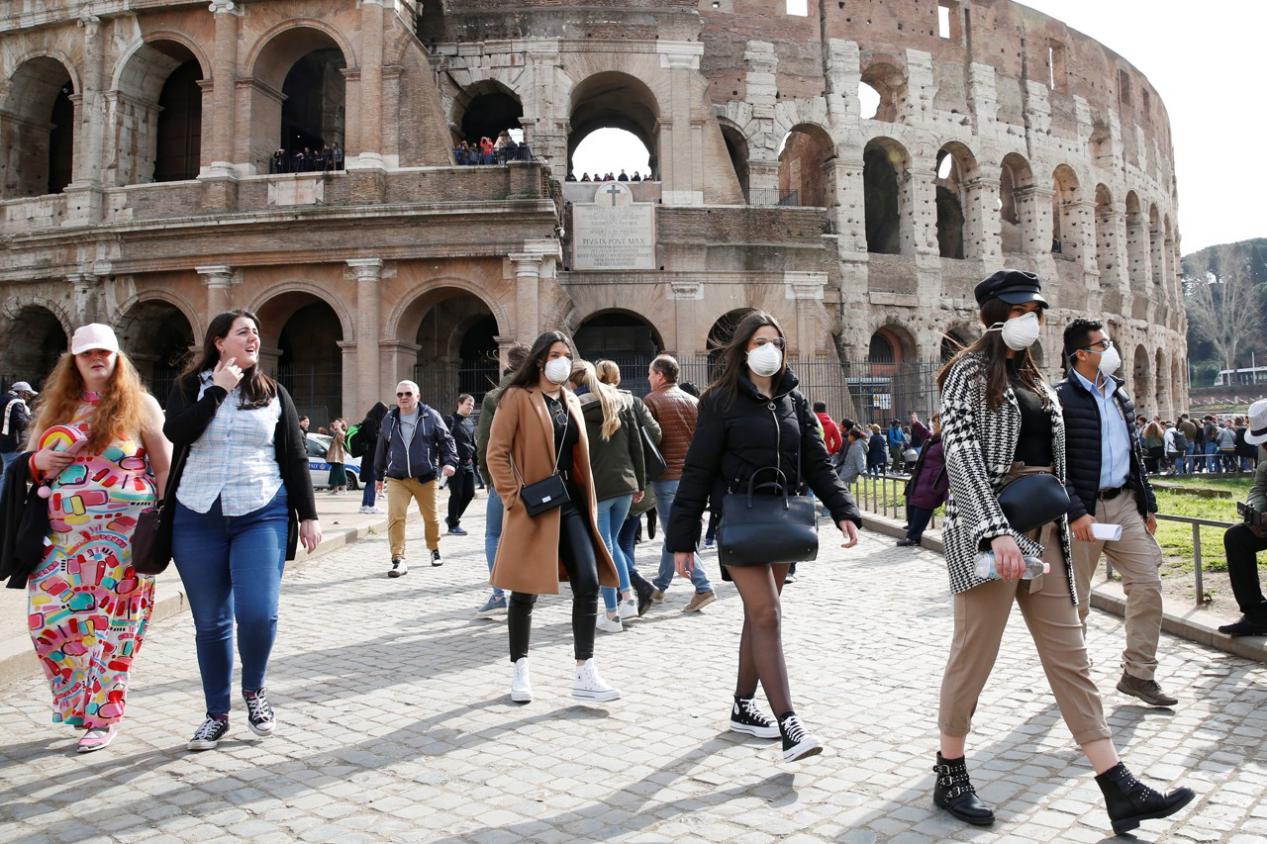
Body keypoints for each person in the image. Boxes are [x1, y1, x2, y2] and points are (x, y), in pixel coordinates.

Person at [932, 270, 1192, 833]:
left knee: (1070, 657)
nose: (1034, 318)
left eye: (1038, 309)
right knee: (974, 657)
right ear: (996, 313)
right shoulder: (967, 374)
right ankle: (950, 768)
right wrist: (995, 530)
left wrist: (1073, 514)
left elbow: (1059, 459)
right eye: (1023, 308)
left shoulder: (1035, 377)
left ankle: (1116, 783)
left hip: (1045, 532)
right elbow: (962, 455)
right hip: (990, 532)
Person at [666, 310, 861, 762]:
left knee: (759, 618)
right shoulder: (719, 400)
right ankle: (790, 723)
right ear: (743, 349)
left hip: (782, 521)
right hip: (738, 520)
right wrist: (682, 538)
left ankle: (741, 706)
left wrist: (843, 510)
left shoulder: (795, 400)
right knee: (768, 615)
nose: (768, 349)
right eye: (759, 342)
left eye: (776, 341)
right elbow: (696, 471)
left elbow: (818, 462)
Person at [164, 310, 322, 752]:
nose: (254, 338)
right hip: (197, 514)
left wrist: (308, 515)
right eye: (243, 332)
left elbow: (293, 457)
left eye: (257, 332)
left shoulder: (274, 394)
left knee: (257, 612)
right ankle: (216, 714)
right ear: (219, 342)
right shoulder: (186, 389)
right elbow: (178, 433)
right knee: (211, 623)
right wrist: (217, 391)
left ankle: (254, 689)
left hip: (260, 511)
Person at [18, 325, 170, 752]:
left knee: (114, 631)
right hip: (62, 546)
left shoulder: (141, 406)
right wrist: (39, 461)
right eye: (87, 354)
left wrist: (163, 522)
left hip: (122, 548)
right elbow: (31, 466)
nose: (96, 359)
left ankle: (104, 716)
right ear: (74, 362)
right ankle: (77, 703)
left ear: (118, 358)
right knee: (49, 624)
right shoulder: (55, 409)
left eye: (104, 352)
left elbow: (163, 467)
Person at [486, 331, 622, 704]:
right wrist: (514, 499)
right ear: (540, 360)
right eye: (555, 354)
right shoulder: (516, 397)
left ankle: (584, 670)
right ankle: (520, 668)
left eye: (566, 354)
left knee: (589, 581)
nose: (561, 360)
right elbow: (496, 453)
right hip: (533, 504)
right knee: (525, 590)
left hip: (571, 501)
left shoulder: (571, 400)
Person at [1058, 319, 1176, 707]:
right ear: (1081, 354)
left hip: (1124, 503)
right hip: (1083, 511)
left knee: (1147, 585)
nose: (1110, 349)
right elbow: (1054, 465)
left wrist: (1148, 505)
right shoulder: (1059, 399)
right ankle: (1075, 675)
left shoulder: (1121, 396)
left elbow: (1135, 456)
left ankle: (1139, 673)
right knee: (1077, 601)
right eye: (1101, 344)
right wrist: (1075, 512)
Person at [571, 361, 645, 633]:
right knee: (612, 543)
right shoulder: (621, 402)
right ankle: (627, 598)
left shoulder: (576, 408)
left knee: (605, 550)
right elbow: (636, 444)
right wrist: (639, 482)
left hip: (599, 488)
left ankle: (613, 613)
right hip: (626, 484)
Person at [644, 354, 716, 611]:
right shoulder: (694, 402)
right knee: (675, 534)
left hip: (668, 479)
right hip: (694, 478)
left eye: (651, 374)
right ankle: (659, 586)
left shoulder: (652, 401)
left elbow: (648, 442)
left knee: (677, 535)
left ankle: (704, 586)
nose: (648, 378)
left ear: (660, 376)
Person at [595, 359, 662, 615]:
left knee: (611, 544)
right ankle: (633, 590)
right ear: (618, 378)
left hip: (604, 485)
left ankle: (628, 595)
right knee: (622, 542)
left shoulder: (587, 403)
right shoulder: (632, 402)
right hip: (632, 483)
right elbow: (653, 434)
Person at [373, 380, 457, 576]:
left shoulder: (430, 416)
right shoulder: (389, 419)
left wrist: (449, 462)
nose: (403, 397)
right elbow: (381, 448)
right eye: (400, 394)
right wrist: (378, 476)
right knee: (395, 516)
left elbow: (446, 440)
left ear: (417, 397)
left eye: (408, 394)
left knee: (432, 518)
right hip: (397, 478)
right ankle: (398, 559)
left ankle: (434, 549)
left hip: (425, 477)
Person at [473, 345, 531, 616]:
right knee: (531, 534)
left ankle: (499, 595)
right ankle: (526, 590)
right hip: (537, 476)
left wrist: (486, 475)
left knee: (494, 534)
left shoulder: (495, 397)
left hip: (503, 475)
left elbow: (485, 441)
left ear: (507, 364)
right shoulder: (542, 394)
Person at [1219, 400, 1267, 637]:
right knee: (1236, 537)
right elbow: (1259, 487)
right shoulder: (1264, 447)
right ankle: (1256, 614)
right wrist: (1255, 514)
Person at [898, 413, 947, 547]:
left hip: (932, 481)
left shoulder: (946, 442)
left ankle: (912, 537)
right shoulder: (934, 439)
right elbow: (925, 434)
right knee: (912, 501)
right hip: (922, 478)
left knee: (922, 507)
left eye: (936, 424)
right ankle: (913, 533)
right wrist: (916, 423)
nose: (933, 426)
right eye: (933, 424)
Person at [444, 394, 478, 536]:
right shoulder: (449, 420)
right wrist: (445, 461)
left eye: (472, 405)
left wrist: (477, 463)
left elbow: (472, 443)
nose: (470, 407)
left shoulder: (470, 423)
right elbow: (442, 440)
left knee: (469, 493)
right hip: (454, 463)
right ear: (459, 404)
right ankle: (453, 525)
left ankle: (452, 517)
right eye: (467, 404)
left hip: (468, 463)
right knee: (456, 493)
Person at [350, 402, 388, 514]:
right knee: (372, 481)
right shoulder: (371, 424)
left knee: (370, 482)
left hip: (369, 456)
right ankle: (370, 505)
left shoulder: (368, 422)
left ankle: (365, 505)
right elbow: (374, 439)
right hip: (372, 457)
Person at [1, 380, 37, 485]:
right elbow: (20, 423)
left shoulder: (4, 400)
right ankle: (3, 500)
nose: (28, 397)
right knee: (8, 474)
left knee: (8, 472)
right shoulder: (15, 403)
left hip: (4, 442)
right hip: (13, 444)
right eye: (28, 394)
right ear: (22, 392)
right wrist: (32, 419)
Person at [326, 418, 347, 495]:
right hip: (334, 456)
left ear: (341, 424)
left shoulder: (342, 432)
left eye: (337, 422)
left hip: (339, 456)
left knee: (341, 473)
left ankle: (344, 489)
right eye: (335, 422)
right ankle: (335, 489)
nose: (335, 424)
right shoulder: (335, 433)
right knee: (334, 473)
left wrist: (339, 428)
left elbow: (343, 439)